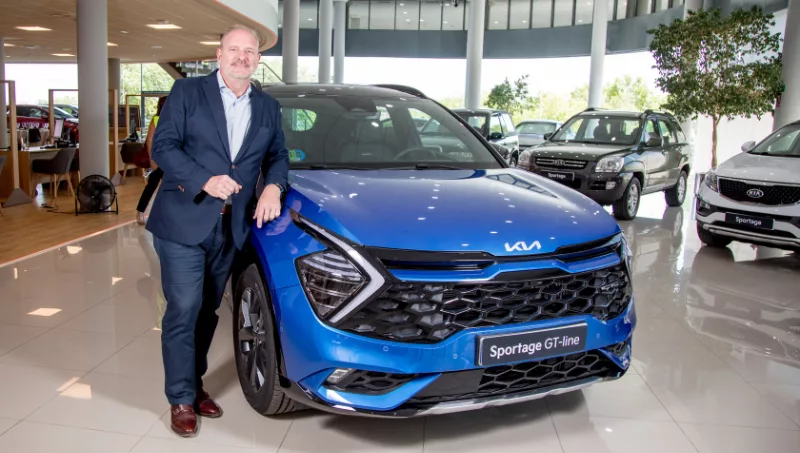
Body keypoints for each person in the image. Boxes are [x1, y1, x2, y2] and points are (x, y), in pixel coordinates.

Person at [145, 24, 289, 437]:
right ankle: (180, 397)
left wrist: (274, 187)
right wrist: (204, 180)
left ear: (258, 59)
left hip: (231, 225)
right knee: (184, 307)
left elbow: (278, 155)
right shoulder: (188, 92)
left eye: (250, 51)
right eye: (234, 49)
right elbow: (163, 147)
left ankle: (194, 384)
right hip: (183, 219)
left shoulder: (268, 106)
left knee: (208, 309)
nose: (242, 56)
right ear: (219, 54)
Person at [136, 95, 167, 225]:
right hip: (159, 159)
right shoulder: (156, 119)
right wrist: (152, 159)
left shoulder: (175, 119)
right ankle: (140, 211)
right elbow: (149, 140)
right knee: (152, 185)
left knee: (170, 188)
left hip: (171, 159)